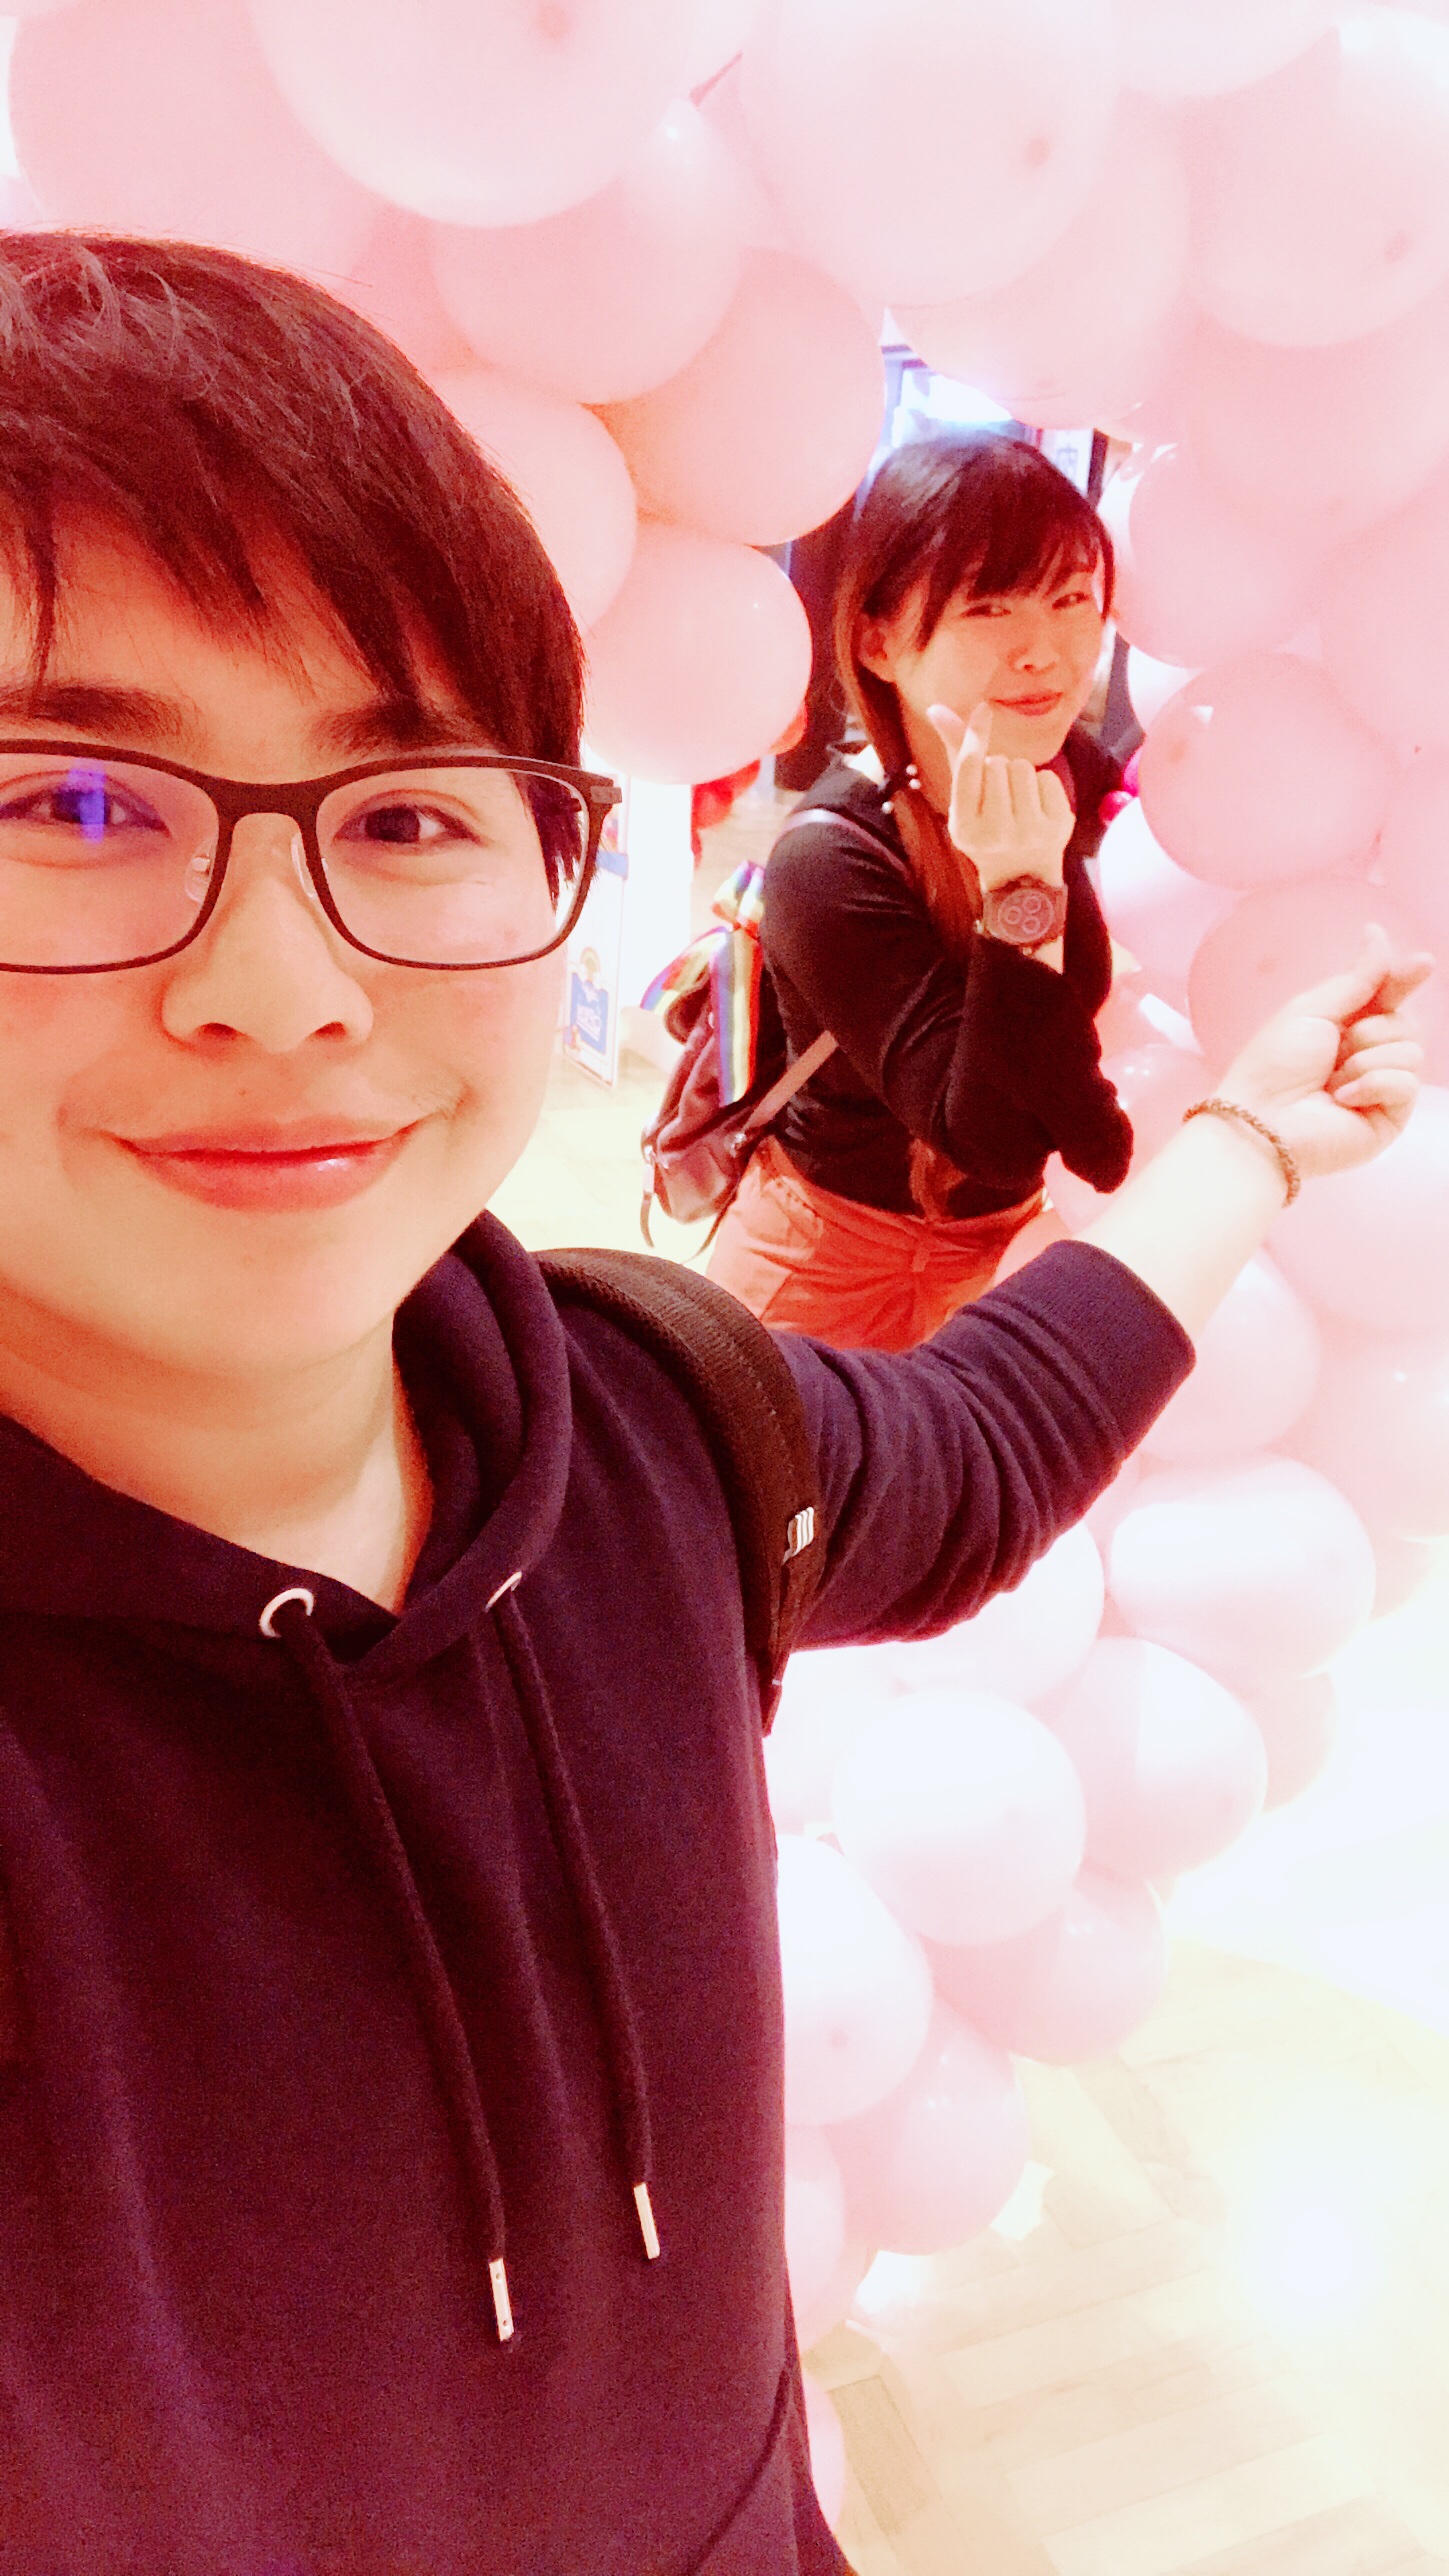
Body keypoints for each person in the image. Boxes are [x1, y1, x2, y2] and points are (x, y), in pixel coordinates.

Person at [0, 231, 1424, 2576]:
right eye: (70, 804)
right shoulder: (845, 856)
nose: (285, 986)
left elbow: (974, 1447)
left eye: (408, 812)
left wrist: (1251, 1136)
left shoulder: (654, 1428)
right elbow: (964, 1093)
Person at [708, 430, 1137, 1351]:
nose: (1043, 650)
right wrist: (1020, 886)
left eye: (1070, 599)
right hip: (824, 1263)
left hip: (998, 1258)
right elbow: (987, 1139)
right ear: (877, 642)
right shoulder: (828, 861)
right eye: (988, 607)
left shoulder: (1073, 781)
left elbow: (1061, 1064)